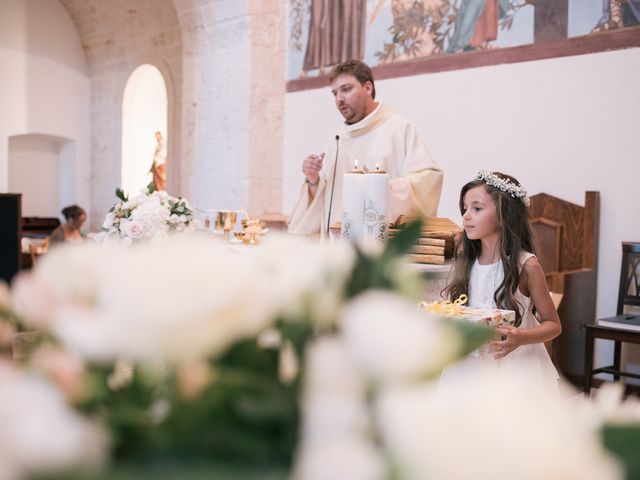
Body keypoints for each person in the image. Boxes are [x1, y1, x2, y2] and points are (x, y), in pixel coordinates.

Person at [288, 60, 443, 236]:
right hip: (338, 251)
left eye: (346, 89)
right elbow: (331, 203)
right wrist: (313, 181)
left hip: (380, 249)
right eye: (335, 93)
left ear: (368, 88)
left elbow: (428, 180)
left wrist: (380, 188)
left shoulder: (398, 128)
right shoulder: (336, 139)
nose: (339, 99)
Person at [439, 171, 561, 388]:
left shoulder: (526, 266)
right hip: (470, 367)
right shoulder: (465, 259)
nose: (466, 216)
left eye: (477, 208)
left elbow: (553, 324)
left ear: (504, 215)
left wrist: (521, 337)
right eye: (465, 208)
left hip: (516, 371)